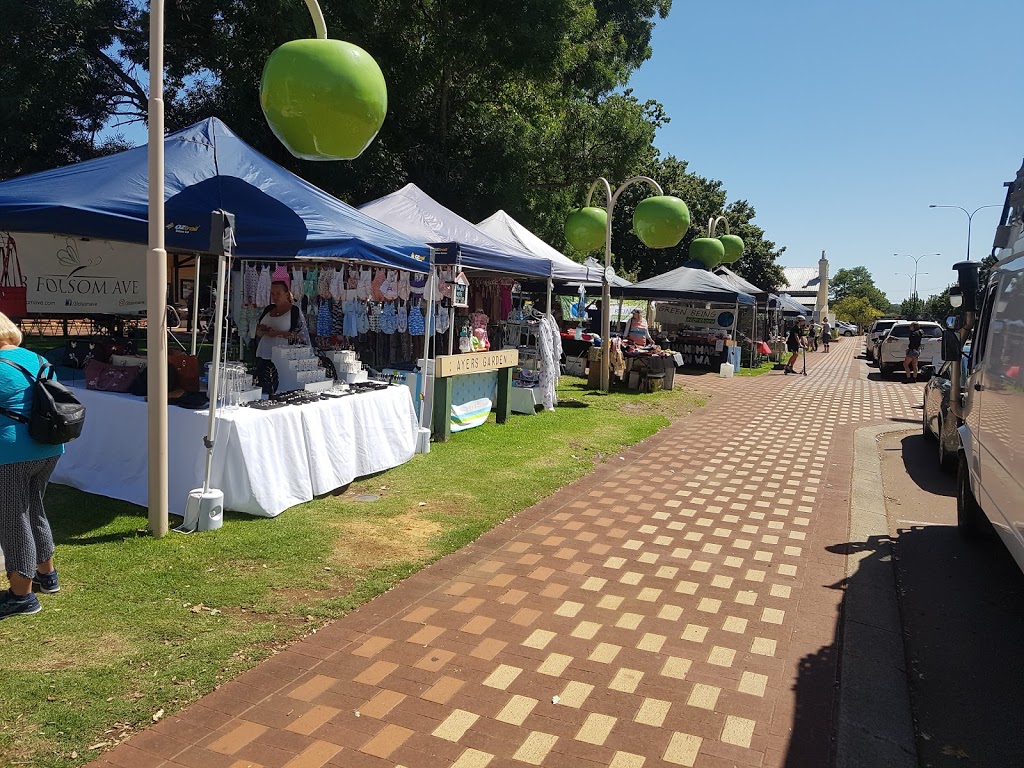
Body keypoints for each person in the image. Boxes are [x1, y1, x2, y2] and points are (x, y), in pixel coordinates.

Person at [0, 312, 64, 620]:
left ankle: (21, 595)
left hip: (10, 452)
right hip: (48, 447)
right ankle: (46, 575)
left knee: (13, 518)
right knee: (33, 508)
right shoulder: (36, 357)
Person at [254, 280, 302, 395]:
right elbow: (257, 330)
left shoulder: (294, 311)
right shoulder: (268, 309)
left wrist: (277, 333)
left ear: (287, 294)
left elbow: (299, 336)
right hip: (264, 354)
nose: (274, 297)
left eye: (278, 293)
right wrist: (260, 330)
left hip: (283, 357)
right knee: (264, 386)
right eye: (272, 294)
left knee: (280, 387)